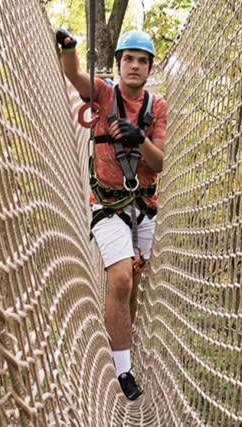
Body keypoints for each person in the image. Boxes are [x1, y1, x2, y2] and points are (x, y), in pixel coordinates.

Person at [55, 27, 167, 402]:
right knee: (120, 281)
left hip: (145, 208)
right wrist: (70, 48)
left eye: (142, 60)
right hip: (107, 206)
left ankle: (122, 346)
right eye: (129, 59)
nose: (135, 66)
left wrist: (139, 137)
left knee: (131, 290)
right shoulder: (104, 93)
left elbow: (159, 163)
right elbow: (73, 75)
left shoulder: (157, 107)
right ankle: (123, 373)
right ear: (118, 64)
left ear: (149, 68)